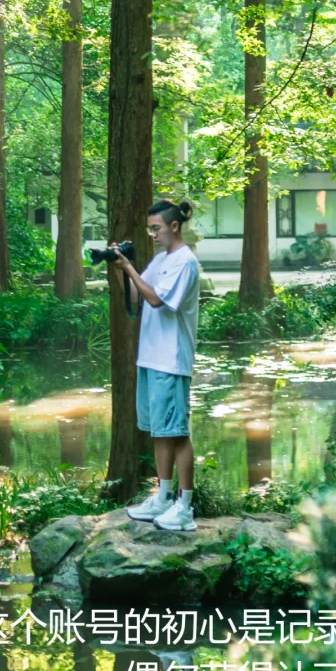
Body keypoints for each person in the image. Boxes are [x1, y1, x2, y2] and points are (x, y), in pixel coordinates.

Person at [112, 198, 200, 533]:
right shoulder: (160, 259)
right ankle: (163, 498)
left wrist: (132, 270)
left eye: (156, 228)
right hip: (150, 357)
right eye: (150, 229)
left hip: (172, 359)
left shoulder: (184, 262)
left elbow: (155, 299)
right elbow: (136, 296)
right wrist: (124, 264)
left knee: (177, 433)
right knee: (159, 431)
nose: (152, 235)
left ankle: (185, 507)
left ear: (173, 226)